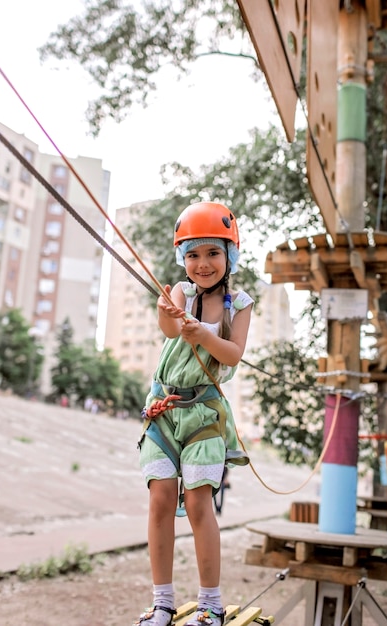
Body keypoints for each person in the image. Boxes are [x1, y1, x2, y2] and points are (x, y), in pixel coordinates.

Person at [134, 201, 253, 626]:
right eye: (192, 254)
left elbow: (234, 354)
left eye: (212, 253)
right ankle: (162, 602)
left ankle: (211, 604)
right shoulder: (180, 292)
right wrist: (170, 312)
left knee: (201, 504)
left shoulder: (239, 303)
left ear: (230, 255)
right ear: (183, 259)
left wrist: (203, 333)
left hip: (204, 414)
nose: (202, 264)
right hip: (164, 410)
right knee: (160, 500)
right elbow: (168, 330)